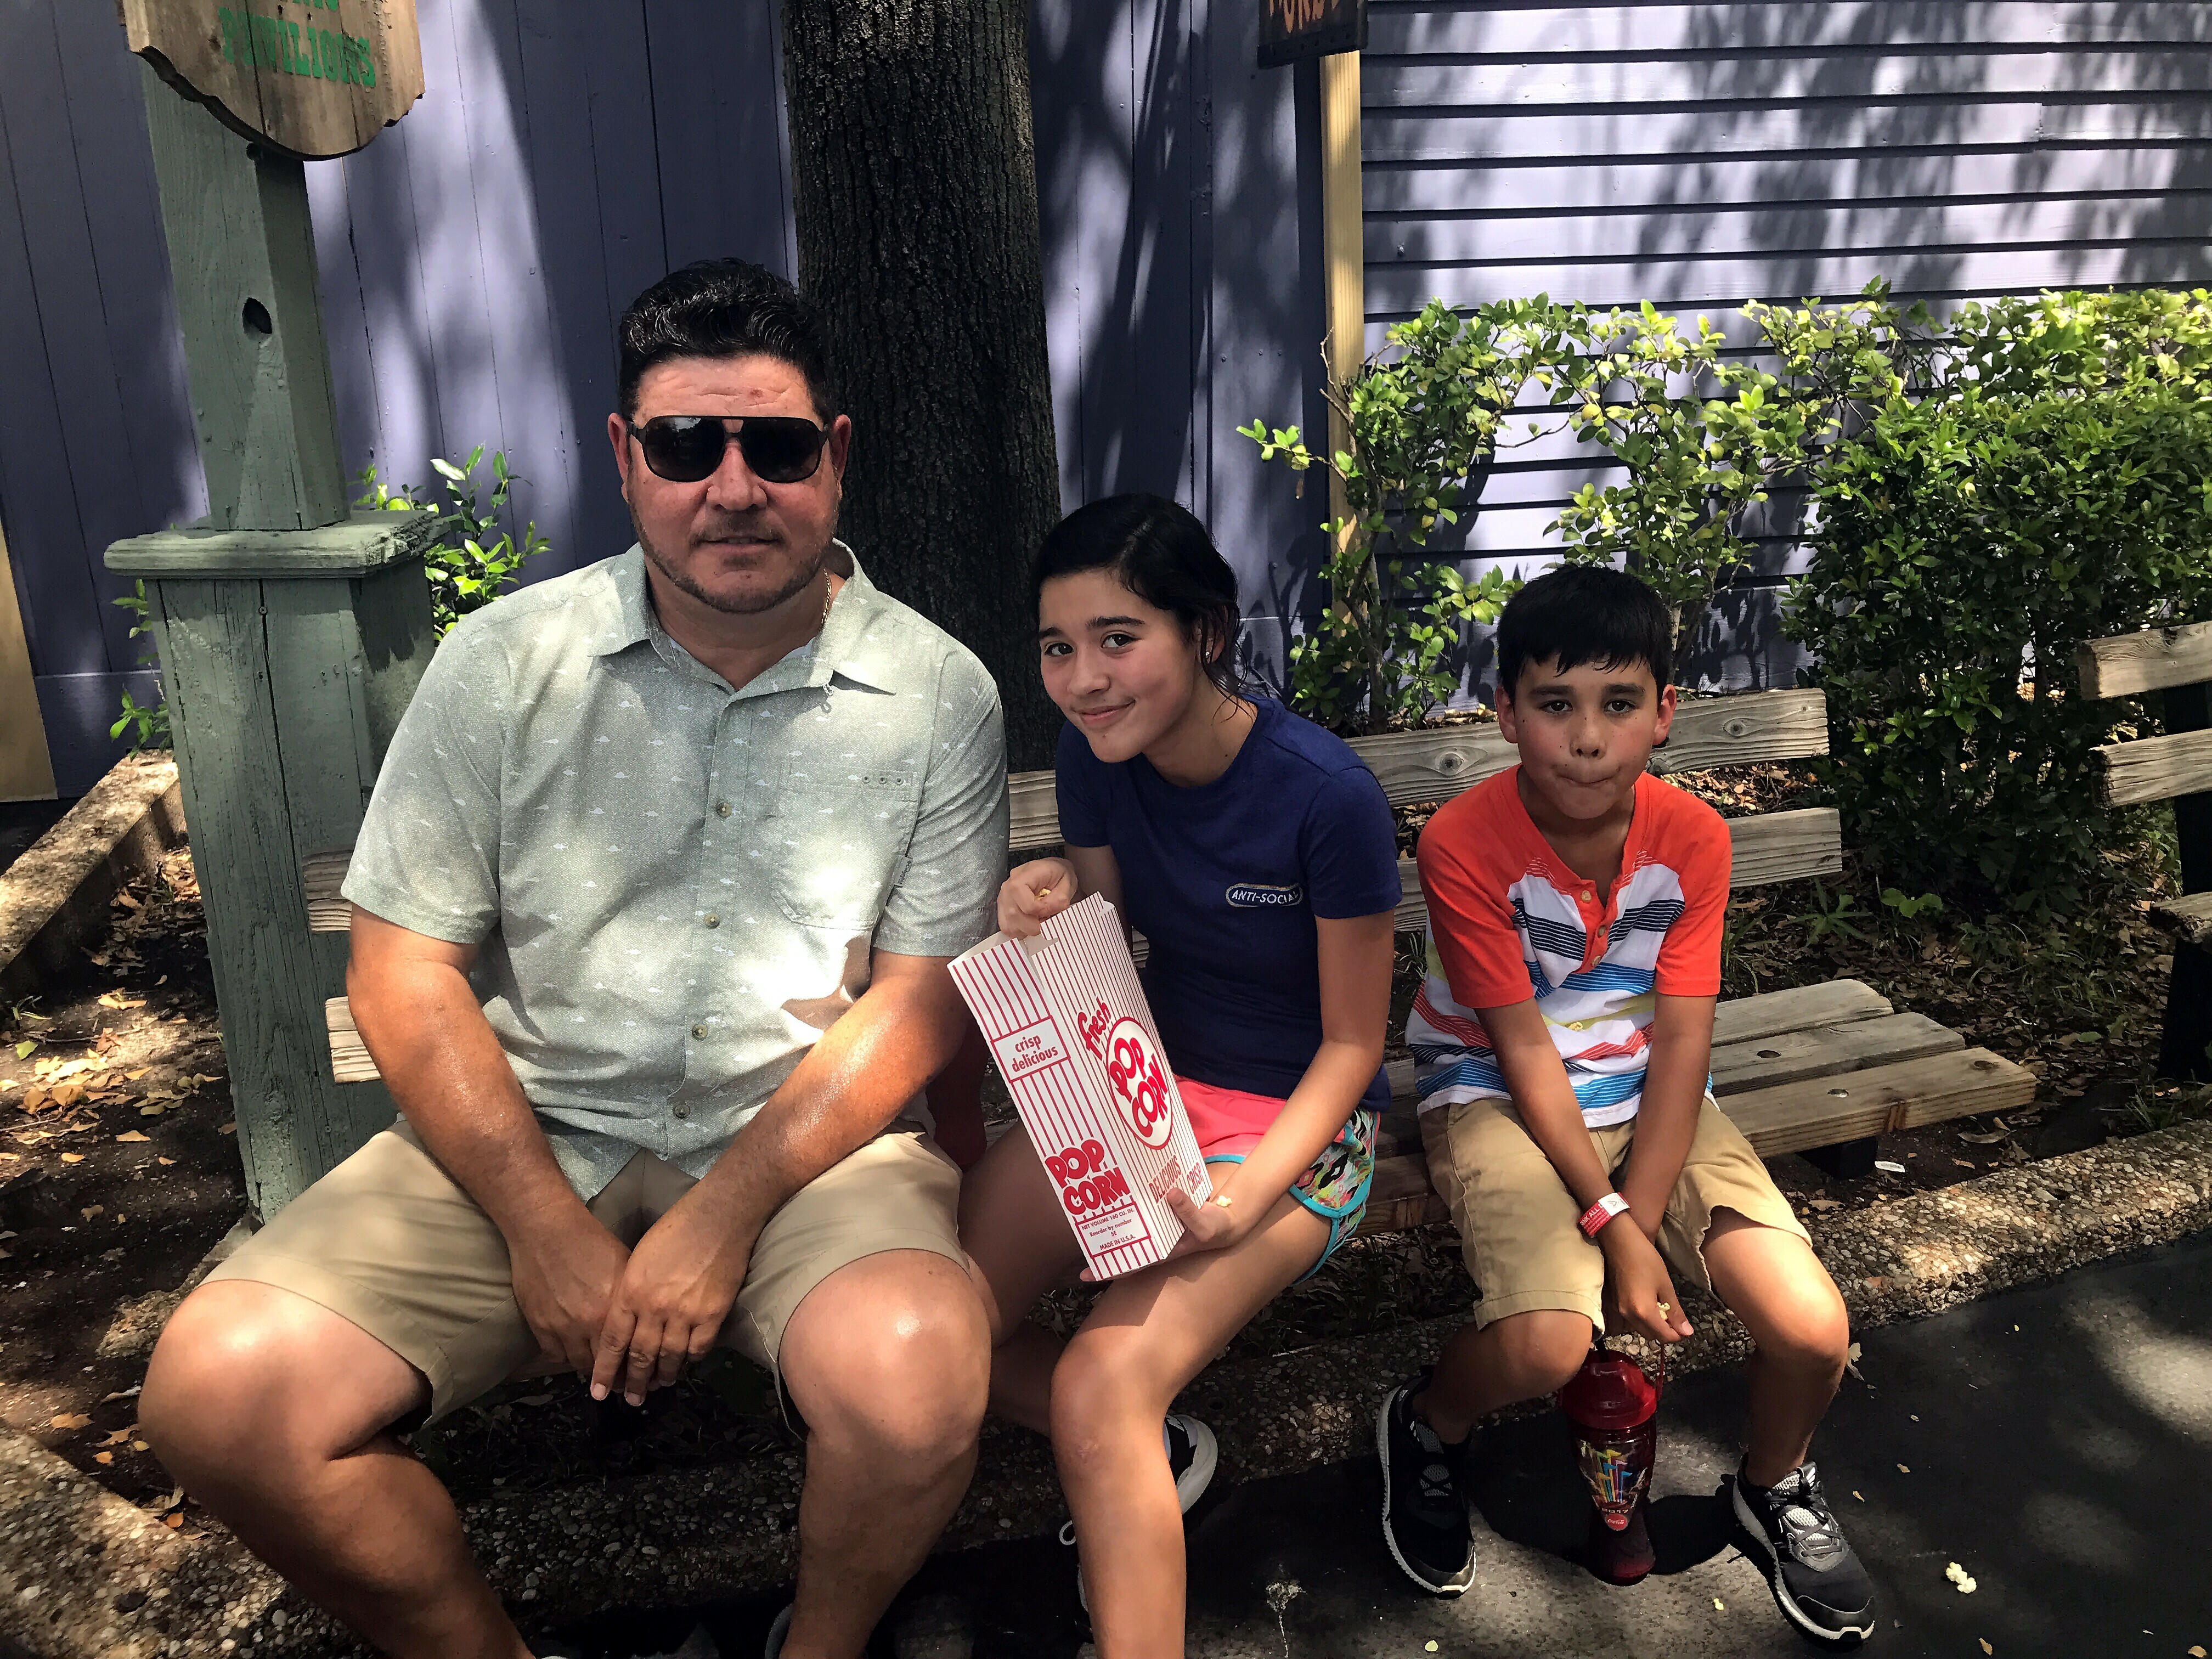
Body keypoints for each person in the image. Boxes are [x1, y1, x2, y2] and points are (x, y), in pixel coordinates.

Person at [138, 260, 1009, 1659]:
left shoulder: (939, 693)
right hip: (525, 1133)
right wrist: (543, 1227)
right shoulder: (505, 664)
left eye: (778, 447)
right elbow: (403, 968)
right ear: (625, 457)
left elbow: (916, 1004)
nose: (734, 488)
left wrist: (721, 1219)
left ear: (836, 457)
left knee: (916, 1384)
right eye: (686, 445)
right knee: (217, 1397)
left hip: (804, 1149)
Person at [1375, 564, 1875, 1642]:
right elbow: (1520, 1047)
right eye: (1555, 704)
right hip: (1494, 1090)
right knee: (1547, 1344)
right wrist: (1614, 1227)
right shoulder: (1463, 842)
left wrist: (1634, 1222)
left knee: (1812, 1327)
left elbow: (1684, 1040)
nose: (1588, 737)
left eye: (1618, 703)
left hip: (1652, 1092)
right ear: (1507, 714)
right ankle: (1427, 1423)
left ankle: (1775, 1482)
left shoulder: (1693, 839)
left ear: (1664, 713)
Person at [958, 493, 1401, 1657]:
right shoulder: (1094, 755)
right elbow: (1106, 939)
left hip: (1301, 1127)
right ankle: (1142, 1463)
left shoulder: (1327, 796)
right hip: (1148, 1085)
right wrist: (1049, 897)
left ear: (1205, 633)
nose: (1084, 679)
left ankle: (1118, 1464)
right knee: (941, 1329)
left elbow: (1355, 1046)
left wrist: (1248, 1195)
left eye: (1119, 638)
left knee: (1099, 1386)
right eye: (1059, 647)